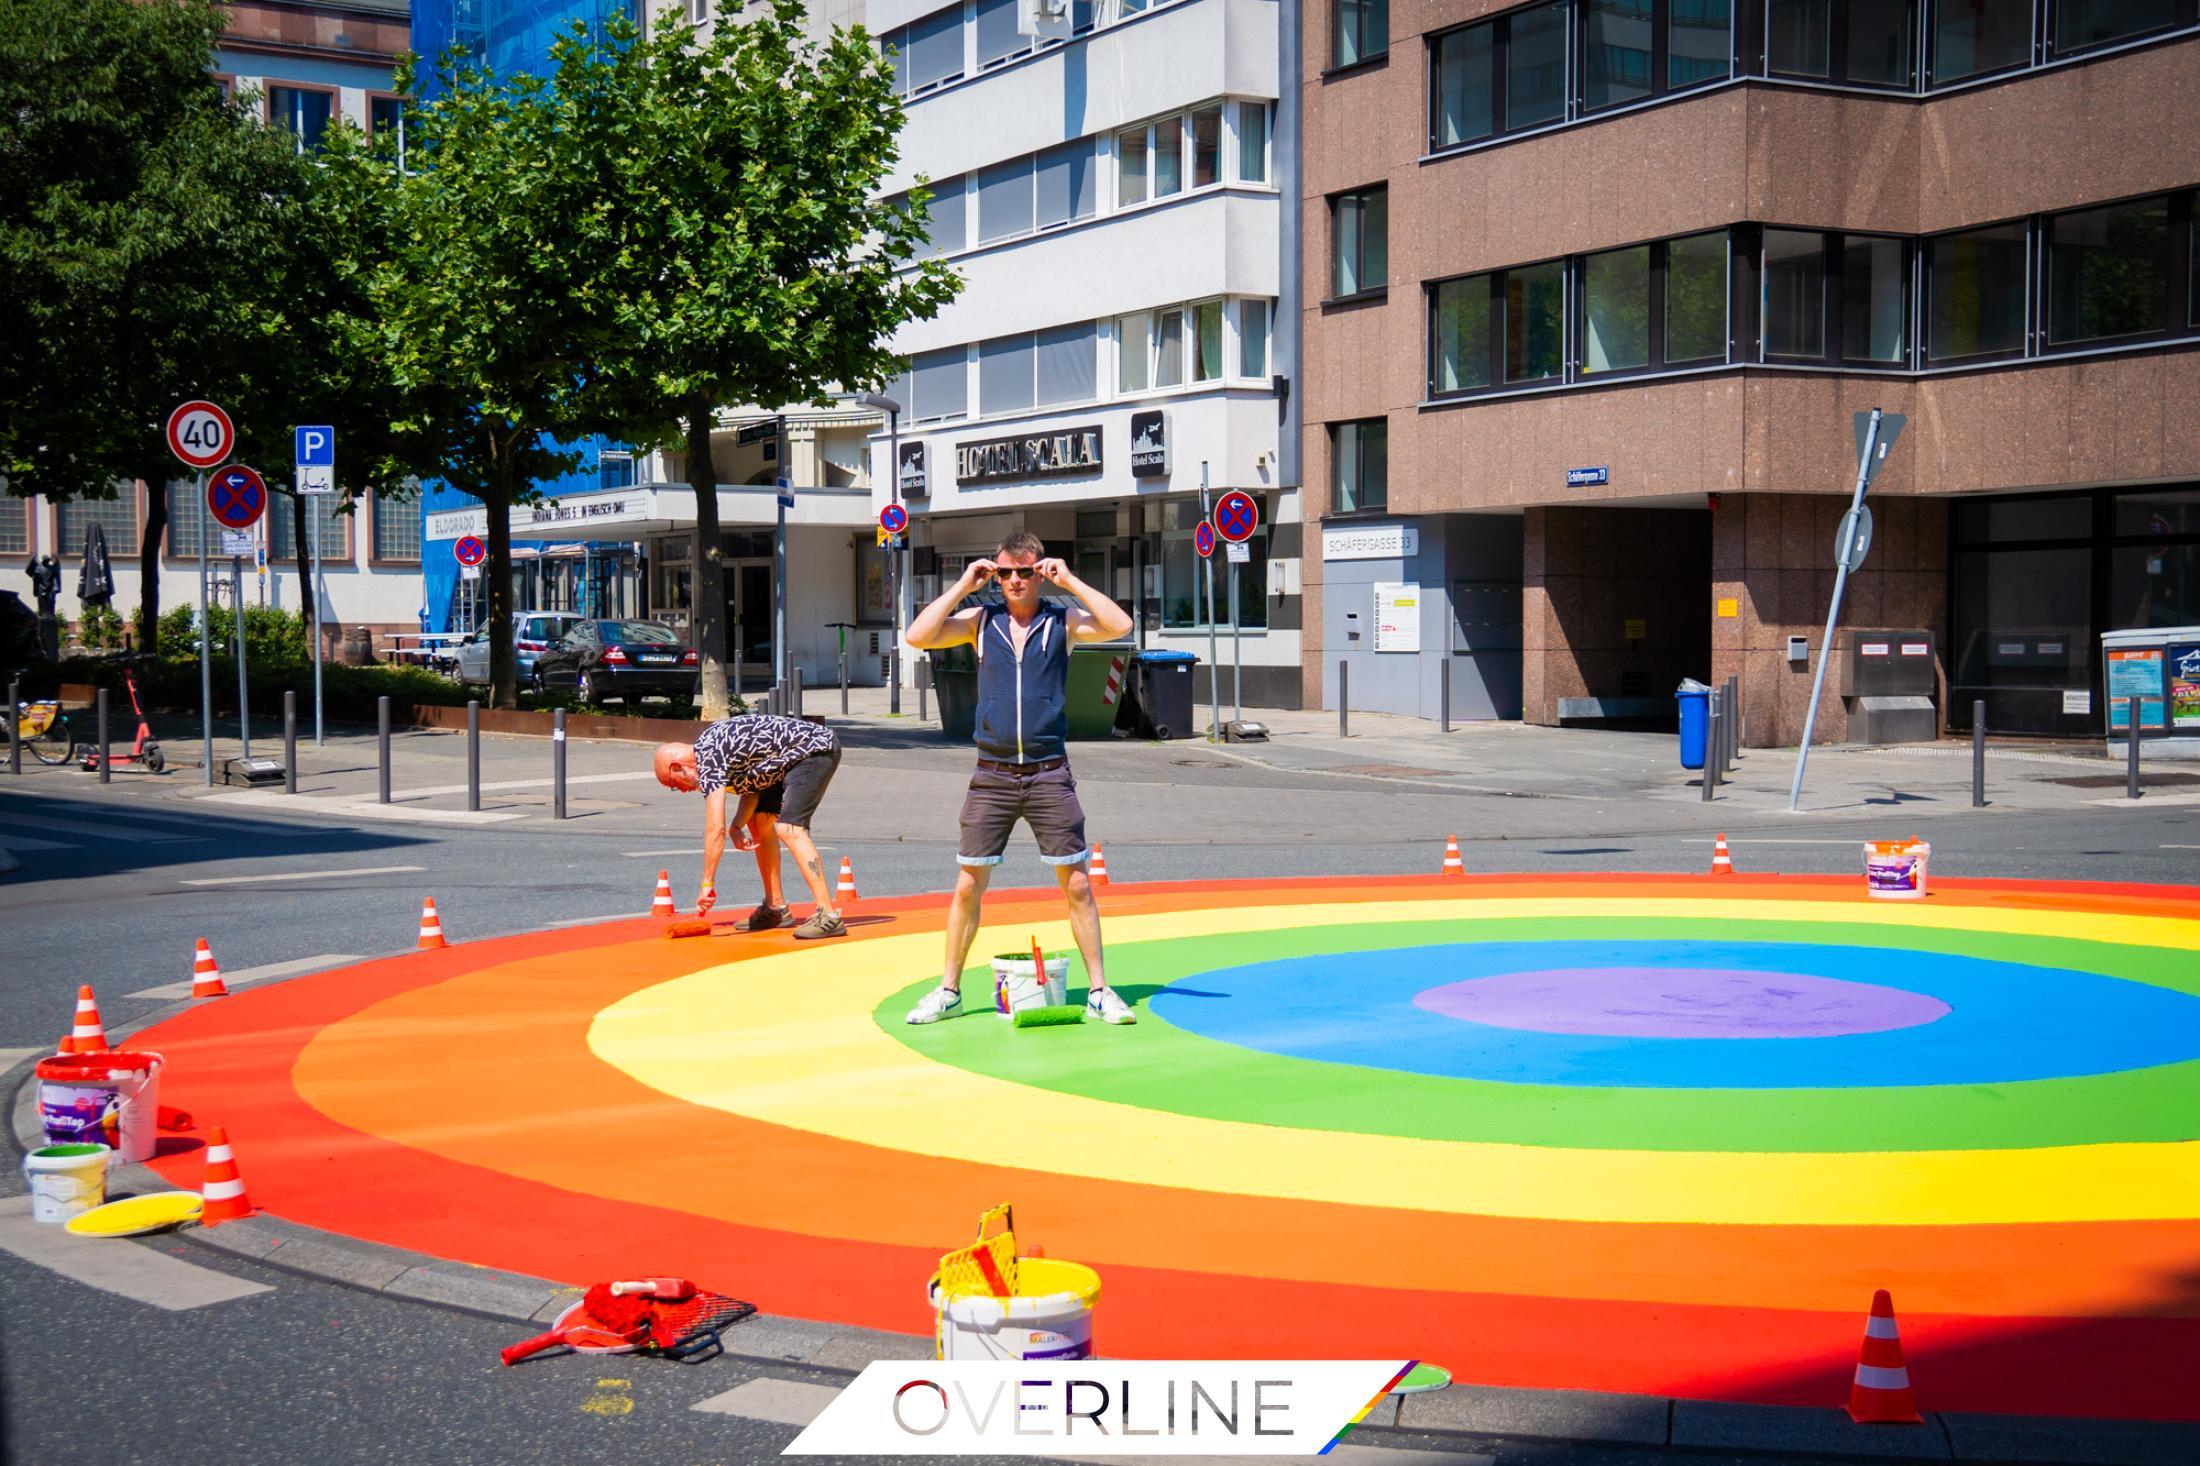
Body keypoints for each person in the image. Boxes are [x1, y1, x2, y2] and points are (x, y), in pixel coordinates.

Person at [901, 531, 1137, 1024]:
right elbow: (918, 636)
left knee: (1076, 884)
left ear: (1039, 573)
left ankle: (1098, 990)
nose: (1013, 581)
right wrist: (965, 585)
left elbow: (1119, 625)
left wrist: (1069, 581)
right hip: (993, 772)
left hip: (1050, 772)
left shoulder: (1061, 621)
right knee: (968, 884)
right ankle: (949, 990)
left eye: (1024, 572)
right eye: (1004, 572)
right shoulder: (980, 622)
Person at [653, 712, 845, 939]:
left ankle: (829, 915)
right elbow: (752, 789)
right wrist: (738, 826)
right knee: (759, 822)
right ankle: (776, 908)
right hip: (788, 760)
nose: (682, 791)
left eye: (674, 784)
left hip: (815, 751)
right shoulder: (713, 748)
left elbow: (715, 829)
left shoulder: (708, 758)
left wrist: (707, 883)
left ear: (678, 767)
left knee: (789, 828)